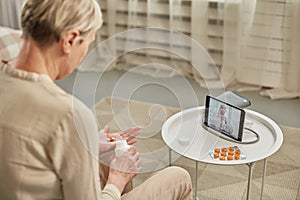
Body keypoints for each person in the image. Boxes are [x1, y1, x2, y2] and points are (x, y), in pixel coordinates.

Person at [0, 0, 193, 199]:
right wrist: (117, 180)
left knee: (107, 158)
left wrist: (90, 144)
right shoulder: (68, 115)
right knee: (179, 177)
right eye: (88, 43)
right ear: (70, 40)